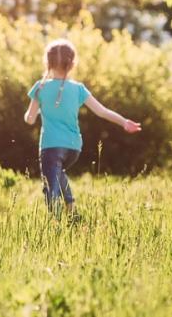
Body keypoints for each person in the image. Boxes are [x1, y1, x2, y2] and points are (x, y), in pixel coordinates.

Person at [24, 39, 141, 216]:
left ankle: (55, 222)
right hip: (74, 148)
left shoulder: (40, 88)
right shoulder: (78, 88)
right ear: (72, 64)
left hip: (51, 147)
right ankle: (71, 206)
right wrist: (124, 122)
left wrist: (36, 111)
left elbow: (30, 119)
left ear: (47, 62)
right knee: (58, 171)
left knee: (50, 187)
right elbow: (102, 111)